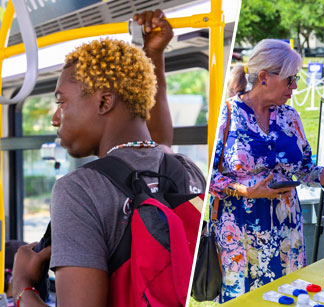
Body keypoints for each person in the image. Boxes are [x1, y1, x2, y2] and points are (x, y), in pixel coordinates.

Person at [11, 10, 205, 306]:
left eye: (61, 102)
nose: (54, 118)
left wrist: (23, 287)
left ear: (103, 102)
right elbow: (159, 145)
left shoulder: (78, 191)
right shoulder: (186, 171)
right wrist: (153, 55)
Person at [211, 39, 324, 302]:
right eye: (290, 79)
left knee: (289, 296)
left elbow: (307, 171)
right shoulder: (226, 114)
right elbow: (206, 175)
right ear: (264, 77)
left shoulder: (289, 116)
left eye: (296, 79)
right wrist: (244, 190)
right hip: (240, 232)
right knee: (245, 300)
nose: (294, 87)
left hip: (286, 231)